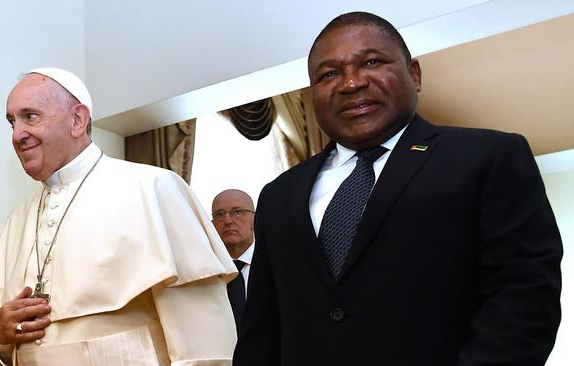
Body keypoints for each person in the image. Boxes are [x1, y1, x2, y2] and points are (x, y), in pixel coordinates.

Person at [233, 11, 562, 366]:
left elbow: (523, 298)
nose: (351, 83)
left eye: (371, 61)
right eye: (329, 74)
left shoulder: (487, 158)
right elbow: (262, 331)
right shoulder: (279, 194)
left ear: (414, 75)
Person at [0, 67, 237, 366]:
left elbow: (206, 347)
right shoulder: (18, 219)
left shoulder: (154, 189)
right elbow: (2, 351)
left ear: (77, 120)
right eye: (11, 122)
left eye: (30, 116)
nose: (17, 135)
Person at [211, 189, 255, 330]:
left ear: (255, 219)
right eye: (219, 214)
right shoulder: (203, 271)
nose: (228, 221)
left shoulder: (275, 264)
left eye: (237, 212)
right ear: (212, 224)